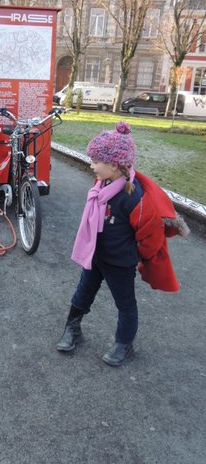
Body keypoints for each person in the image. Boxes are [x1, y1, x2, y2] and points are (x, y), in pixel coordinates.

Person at [56, 121, 187, 366]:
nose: (91, 164)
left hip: (119, 262)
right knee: (82, 293)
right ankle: (73, 329)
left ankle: (124, 343)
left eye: (96, 161)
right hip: (95, 255)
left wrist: (134, 255)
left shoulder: (132, 196)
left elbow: (151, 235)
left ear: (114, 165)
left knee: (125, 303)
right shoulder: (102, 184)